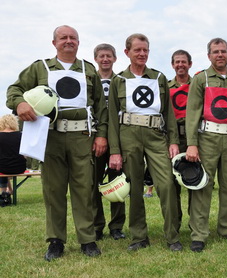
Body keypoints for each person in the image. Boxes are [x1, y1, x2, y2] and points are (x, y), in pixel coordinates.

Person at [6, 25, 108, 260]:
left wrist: (101, 135)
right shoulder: (39, 67)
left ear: (79, 43)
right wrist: (19, 103)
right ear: (54, 43)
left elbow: (101, 107)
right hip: (50, 137)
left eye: (73, 38)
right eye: (63, 38)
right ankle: (55, 240)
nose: (68, 41)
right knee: (54, 190)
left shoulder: (88, 70)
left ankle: (87, 239)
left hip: (82, 137)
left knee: (84, 189)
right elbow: (14, 89)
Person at [107, 33, 182, 252]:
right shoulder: (118, 80)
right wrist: (115, 151)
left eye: (145, 50)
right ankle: (139, 236)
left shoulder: (159, 78)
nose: (142, 54)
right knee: (135, 187)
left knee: (166, 183)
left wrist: (173, 140)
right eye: (137, 50)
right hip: (128, 135)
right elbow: (112, 117)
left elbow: (169, 112)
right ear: (127, 52)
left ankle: (172, 235)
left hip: (155, 135)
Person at [185, 38, 227, 252]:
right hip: (207, 139)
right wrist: (192, 144)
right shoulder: (201, 79)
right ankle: (199, 234)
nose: (220, 55)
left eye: (223, 51)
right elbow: (192, 114)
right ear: (209, 56)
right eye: (215, 52)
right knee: (203, 186)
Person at [90, 44, 126, 241]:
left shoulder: (121, 81)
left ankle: (117, 225)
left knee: (117, 182)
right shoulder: (90, 80)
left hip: (118, 139)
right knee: (92, 183)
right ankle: (97, 225)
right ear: (96, 58)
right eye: (101, 56)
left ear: (115, 58)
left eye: (109, 56)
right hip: (94, 138)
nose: (105, 59)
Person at [168, 49, 193, 226]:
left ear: (189, 64)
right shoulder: (166, 88)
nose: (180, 65)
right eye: (177, 62)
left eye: (183, 62)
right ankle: (175, 223)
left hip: (193, 138)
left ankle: (196, 223)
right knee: (172, 182)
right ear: (172, 65)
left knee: (194, 179)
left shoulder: (198, 85)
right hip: (173, 137)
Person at [0, 114, 27, 206]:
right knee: (4, 167)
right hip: (20, 167)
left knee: (3, 167)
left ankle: (4, 193)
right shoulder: (21, 135)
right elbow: (25, 155)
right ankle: (9, 191)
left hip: (2, 168)